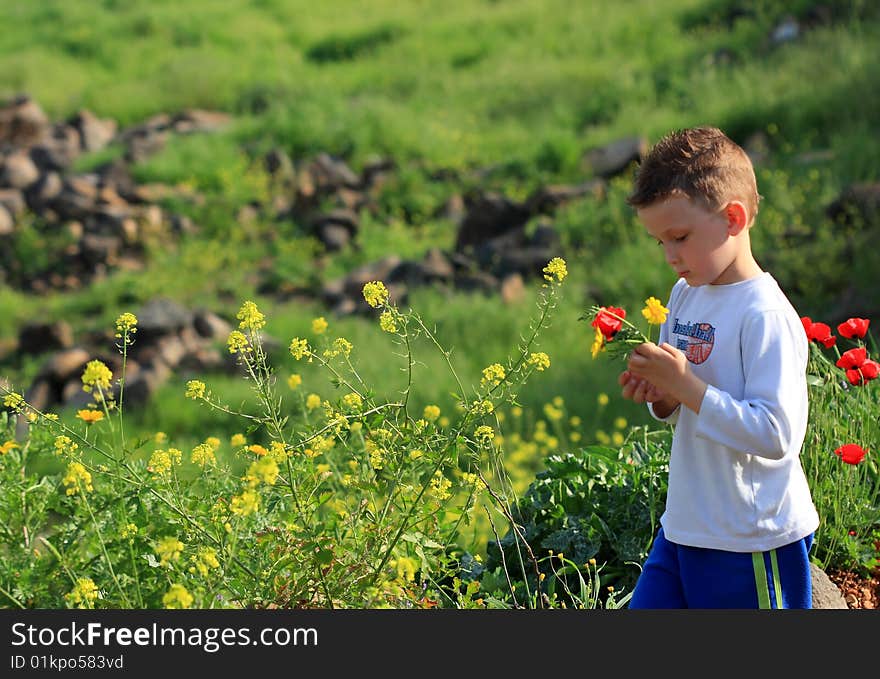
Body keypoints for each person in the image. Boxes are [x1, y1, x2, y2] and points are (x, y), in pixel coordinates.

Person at [617, 126, 819, 609]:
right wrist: (663, 396)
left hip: (750, 538)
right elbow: (682, 404)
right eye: (659, 241)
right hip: (686, 524)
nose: (669, 256)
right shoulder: (685, 295)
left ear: (733, 218)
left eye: (679, 237)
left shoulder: (764, 314)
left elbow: (776, 435)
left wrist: (686, 387)